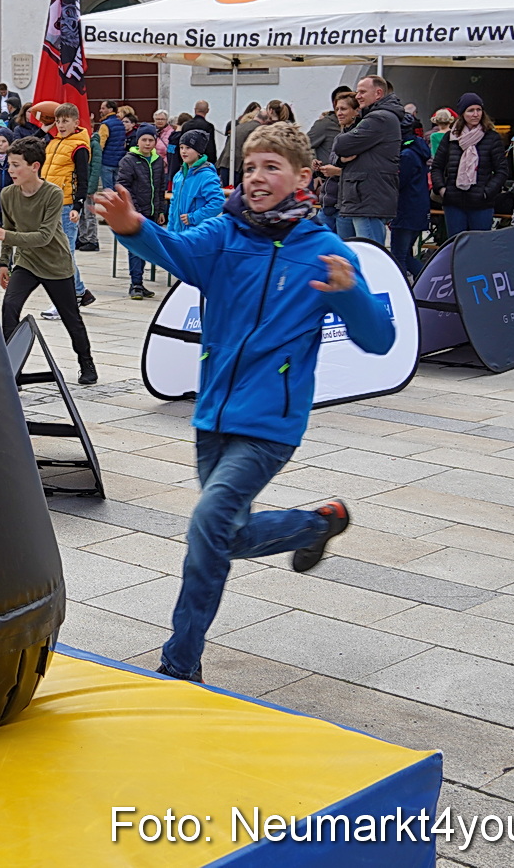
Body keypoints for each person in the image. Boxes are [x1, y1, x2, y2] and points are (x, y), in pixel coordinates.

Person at [94, 121, 392, 684]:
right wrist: (134, 226)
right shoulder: (225, 234)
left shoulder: (324, 251)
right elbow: (178, 250)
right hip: (211, 415)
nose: (256, 177)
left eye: (271, 167)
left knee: (209, 523)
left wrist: (351, 294)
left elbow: (380, 340)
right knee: (223, 535)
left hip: (270, 424)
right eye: (251, 167)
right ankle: (313, 526)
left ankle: (179, 664)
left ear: (303, 176)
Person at [0, 136, 98, 385]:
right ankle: (11, 367)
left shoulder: (52, 193)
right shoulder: (7, 194)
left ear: (34, 166)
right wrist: (4, 263)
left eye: (16, 165)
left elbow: (44, 236)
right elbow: (10, 227)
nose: (11, 170)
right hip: (27, 263)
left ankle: (86, 362)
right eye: (10, 165)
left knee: (71, 318)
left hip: (56, 263)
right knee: (10, 307)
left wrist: (5, 236)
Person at [331, 75, 407, 245]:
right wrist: (342, 159)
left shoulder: (380, 118)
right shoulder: (373, 117)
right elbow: (339, 154)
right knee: (352, 254)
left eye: (362, 92)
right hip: (358, 197)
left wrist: (341, 149)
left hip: (367, 197)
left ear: (378, 93)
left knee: (370, 253)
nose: (357, 96)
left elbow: (341, 144)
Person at [40, 104, 95, 309]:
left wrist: (77, 206)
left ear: (76, 122)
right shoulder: (54, 142)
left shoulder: (79, 147)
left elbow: (83, 178)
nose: (61, 125)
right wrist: (43, 130)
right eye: (58, 121)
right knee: (58, 252)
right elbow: (28, 148)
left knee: (65, 253)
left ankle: (67, 301)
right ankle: (80, 292)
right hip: (50, 204)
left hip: (67, 205)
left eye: (65, 121)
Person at [430, 93, 508, 236]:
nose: (475, 114)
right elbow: (437, 167)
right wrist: (442, 189)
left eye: (479, 110)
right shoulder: (450, 137)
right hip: (453, 202)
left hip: (481, 203)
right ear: (462, 113)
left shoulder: (491, 137)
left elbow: (501, 170)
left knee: (479, 246)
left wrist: (487, 192)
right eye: (471, 110)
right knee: (456, 244)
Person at [116, 124, 169, 298]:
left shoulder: (158, 161)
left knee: (146, 247)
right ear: (138, 141)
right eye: (144, 140)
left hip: (152, 211)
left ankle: (140, 281)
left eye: (150, 140)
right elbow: (124, 187)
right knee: (136, 248)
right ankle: (135, 283)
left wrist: (161, 210)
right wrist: (135, 210)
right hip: (136, 212)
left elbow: (161, 187)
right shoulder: (129, 160)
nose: (147, 143)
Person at [392, 116, 431, 277]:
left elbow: (399, 182)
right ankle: (426, 284)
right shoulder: (418, 149)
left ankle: (410, 288)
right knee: (406, 255)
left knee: (398, 256)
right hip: (417, 209)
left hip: (406, 211)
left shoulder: (406, 155)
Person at [315, 92, 359, 232]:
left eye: (343, 109)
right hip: (329, 202)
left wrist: (337, 171)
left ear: (356, 111)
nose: (339, 113)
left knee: (344, 248)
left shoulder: (360, 137)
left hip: (345, 205)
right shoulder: (340, 136)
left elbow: (361, 171)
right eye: (337, 109)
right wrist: (321, 169)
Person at [168, 128, 223, 235]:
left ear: (198, 151)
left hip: (197, 235)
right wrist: (170, 232)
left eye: (188, 148)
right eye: (181, 147)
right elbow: (173, 206)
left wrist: (194, 217)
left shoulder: (206, 176)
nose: (183, 151)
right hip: (178, 234)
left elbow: (218, 203)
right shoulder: (178, 176)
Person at [96, 100, 126, 190]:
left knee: (108, 190)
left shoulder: (105, 125)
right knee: (118, 189)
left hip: (106, 161)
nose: (100, 110)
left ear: (110, 109)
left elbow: (100, 145)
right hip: (119, 161)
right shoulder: (121, 123)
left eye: (103, 108)